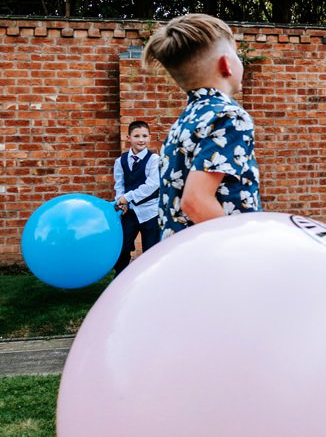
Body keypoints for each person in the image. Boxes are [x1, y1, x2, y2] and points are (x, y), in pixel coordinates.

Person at [142, 14, 261, 238]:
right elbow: (196, 201)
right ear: (226, 64)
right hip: (215, 261)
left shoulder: (183, 122)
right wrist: (245, 251)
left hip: (181, 254)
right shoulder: (229, 116)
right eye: (237, 54)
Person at [112, 119, 161, 273]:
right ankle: (120, 278)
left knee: (151, 251)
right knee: (122, 248)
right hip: (130, 212)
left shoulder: (154, 160)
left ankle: (151, 281)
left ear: (150, 137)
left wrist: (128, 197)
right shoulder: (120, 161)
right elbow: (119, 184)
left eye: (145, 136)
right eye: (137, 136)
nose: (141, 140)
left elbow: (152, 185)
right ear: (129, 138)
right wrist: (122, 201)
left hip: (150, 211)